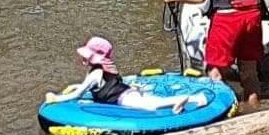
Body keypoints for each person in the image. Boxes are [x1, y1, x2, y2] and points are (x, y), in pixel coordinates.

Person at [48, 37, 202, 113]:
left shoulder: (95, 74)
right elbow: (87, 87)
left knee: (152, 105)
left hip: (125, 98)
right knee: (155, 100)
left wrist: (56, 98)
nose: (83, 58)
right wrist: (77, 85)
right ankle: (198, 98)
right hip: (128, 91)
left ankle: (179, 100)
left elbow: (78, 94)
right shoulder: (106, 70)